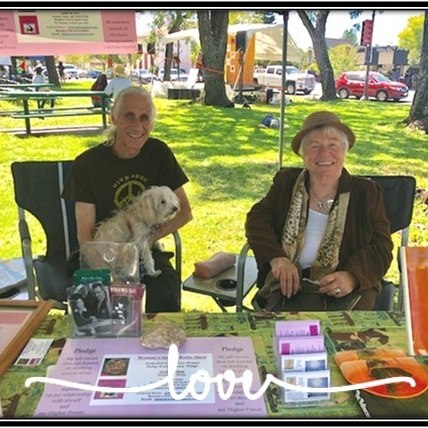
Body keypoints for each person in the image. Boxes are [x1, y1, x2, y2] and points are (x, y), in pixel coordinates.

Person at [245, 110, 393, 311]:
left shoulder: (366, 193)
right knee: (282, 337)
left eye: (333, 145)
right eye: (314, 146)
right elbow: (257, 219)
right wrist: (277, 258)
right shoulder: (287, 182)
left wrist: (352, 276)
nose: (324, 154)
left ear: (344, 150)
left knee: (345, 339)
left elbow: (381, 247)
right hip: (290, 286)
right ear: (303, 154)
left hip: (347, 291)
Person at [63, 86, 192, 313]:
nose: (137, 125)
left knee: (165, 288)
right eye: (129, 116)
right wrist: (110, 275)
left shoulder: (159, 154)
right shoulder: (87, 165)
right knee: (101, 298)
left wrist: (148, 240)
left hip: (144, 248)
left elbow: (184, 212)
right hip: (100, 251)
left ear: (151, 123)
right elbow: (85, 235)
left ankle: (159, 342)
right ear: (113, 116)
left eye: (144, 118)